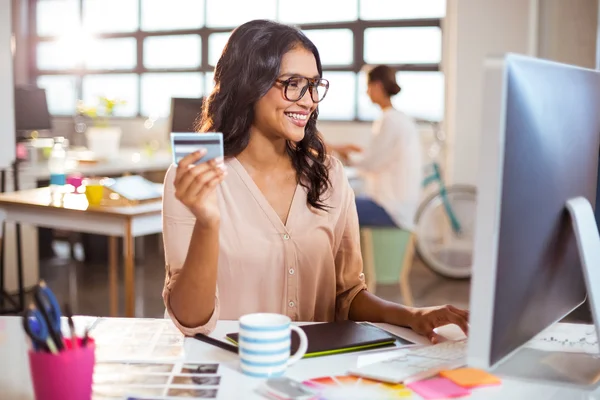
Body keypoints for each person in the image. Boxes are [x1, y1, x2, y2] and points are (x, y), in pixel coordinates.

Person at [162, 20, 468, 343]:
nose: (308, 100)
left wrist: (411, 315)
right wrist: (208, 223)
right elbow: (190, 320)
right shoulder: (193, 178)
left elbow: (348, 296)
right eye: (292, 83)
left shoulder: (329, 176)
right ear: (249, 83)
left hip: (314, 382)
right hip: (231, 377)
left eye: (314, 85)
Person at [332, 65, 423, 231]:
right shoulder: (400, 119)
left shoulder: (388, 120)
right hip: (399, 205)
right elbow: (380, 157)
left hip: (390, 209)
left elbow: (370, 164)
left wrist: (345, 154)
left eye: (368, 87)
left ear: (378, 86)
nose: (366, 92)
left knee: (330, 206)